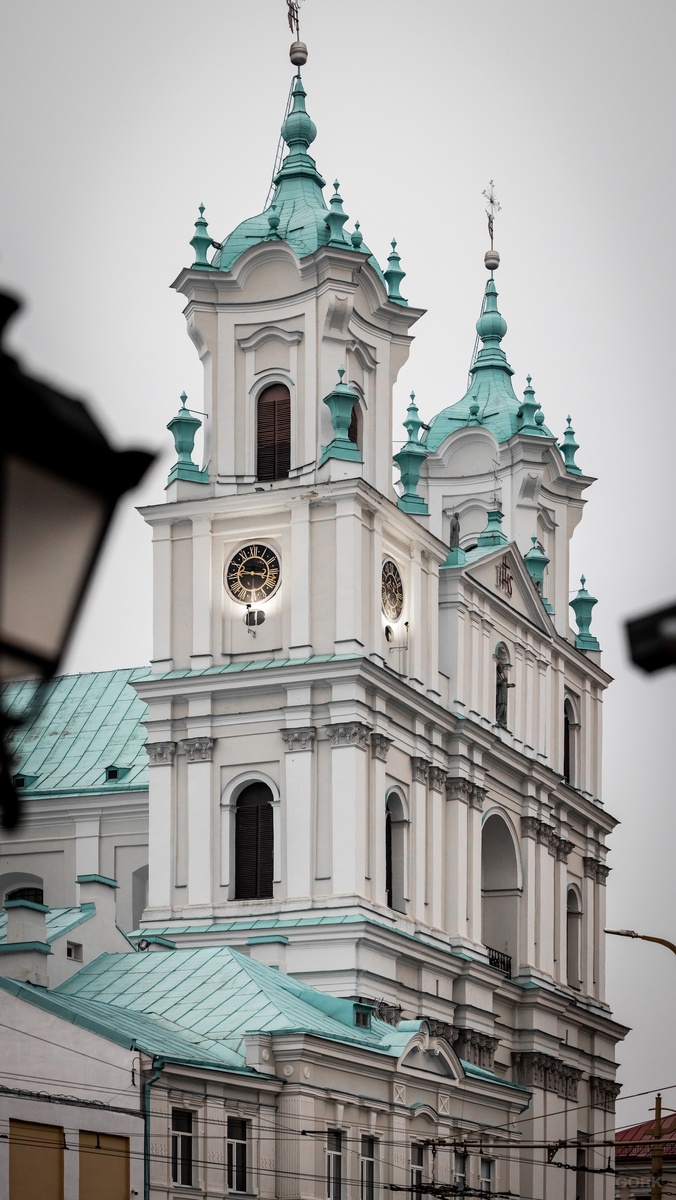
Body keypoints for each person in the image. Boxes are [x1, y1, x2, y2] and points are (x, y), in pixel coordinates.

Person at [495, 660, 515, 727]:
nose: (503, 669)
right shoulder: (497, 674)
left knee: (504, 707)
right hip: (500, 693)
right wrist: (502, 680)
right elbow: (496, 682)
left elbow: (505, 684)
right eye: (502, 667)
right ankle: (498, 718)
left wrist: (510, 685)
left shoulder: (501, 675)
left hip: (504, 693)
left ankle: (503, 720)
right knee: (501, 705)